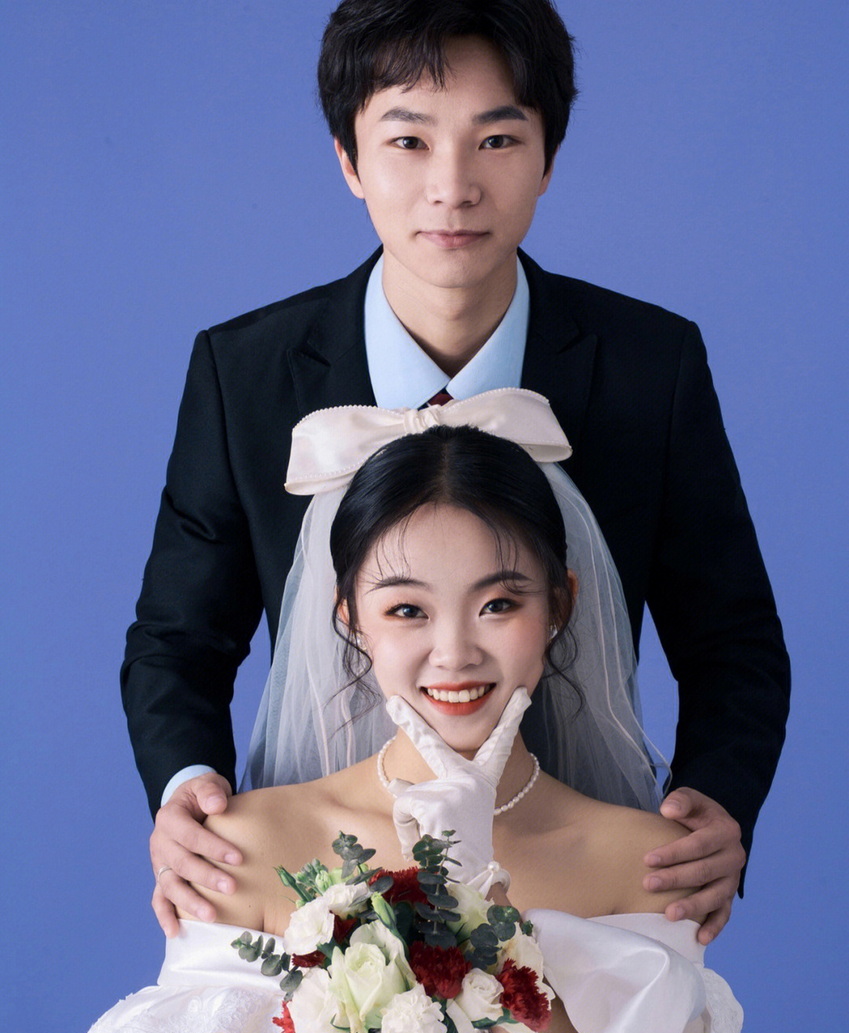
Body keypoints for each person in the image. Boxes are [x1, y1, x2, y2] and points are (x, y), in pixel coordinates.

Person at [126, 0, 789, 945]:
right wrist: (187, 790)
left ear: (547, 157)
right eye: (408, 141)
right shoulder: (246, 371)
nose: (452, 187)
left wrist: (718, 798)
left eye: (496, 140)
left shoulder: (651, 363)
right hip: (316, 881)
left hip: (579, 882)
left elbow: (733, 636)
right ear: (349, 159)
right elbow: (175, 638)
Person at [38, 405, 762, 1033]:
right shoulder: (247, 846)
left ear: (559, 606)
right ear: (350, 617)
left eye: (499, 603)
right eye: (407, 610)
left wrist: (485, 919)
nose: (454, 653)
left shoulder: (645, 863)